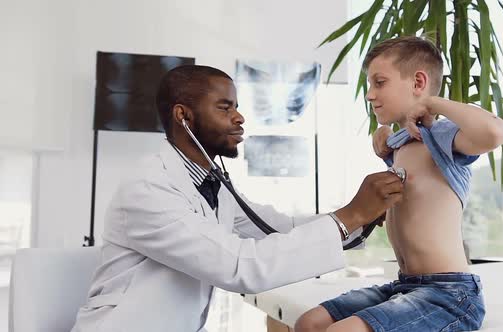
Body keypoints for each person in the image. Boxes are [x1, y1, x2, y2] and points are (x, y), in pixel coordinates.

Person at [70, 65, 405, 332]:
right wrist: (349, 216)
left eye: (237, 107)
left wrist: (360, 221)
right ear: (183, 117)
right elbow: (240, 265)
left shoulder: (212, 182)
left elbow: (278, 228)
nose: (240, 117)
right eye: (225, 107)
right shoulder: (147, 189)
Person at [295, 36, 503, 332]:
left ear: (418, 82)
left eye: (379, 82)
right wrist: (383, 139)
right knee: (309, 322)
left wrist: (432, 104)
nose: (370, 95)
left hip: (449, 295)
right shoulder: (400, 145)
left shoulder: (440, 136)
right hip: (405, 286)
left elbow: (494, 132)